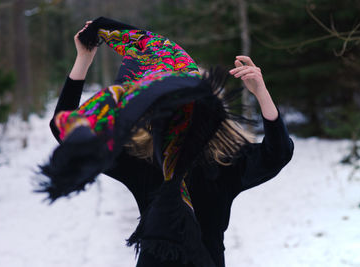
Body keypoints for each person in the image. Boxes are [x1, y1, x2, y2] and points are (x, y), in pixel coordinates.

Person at [38, 17, 294, 267]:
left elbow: (278, 153)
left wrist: (261, 92)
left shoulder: (224, 163)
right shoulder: (145, 160)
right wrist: (84, 59)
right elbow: (65, 132)